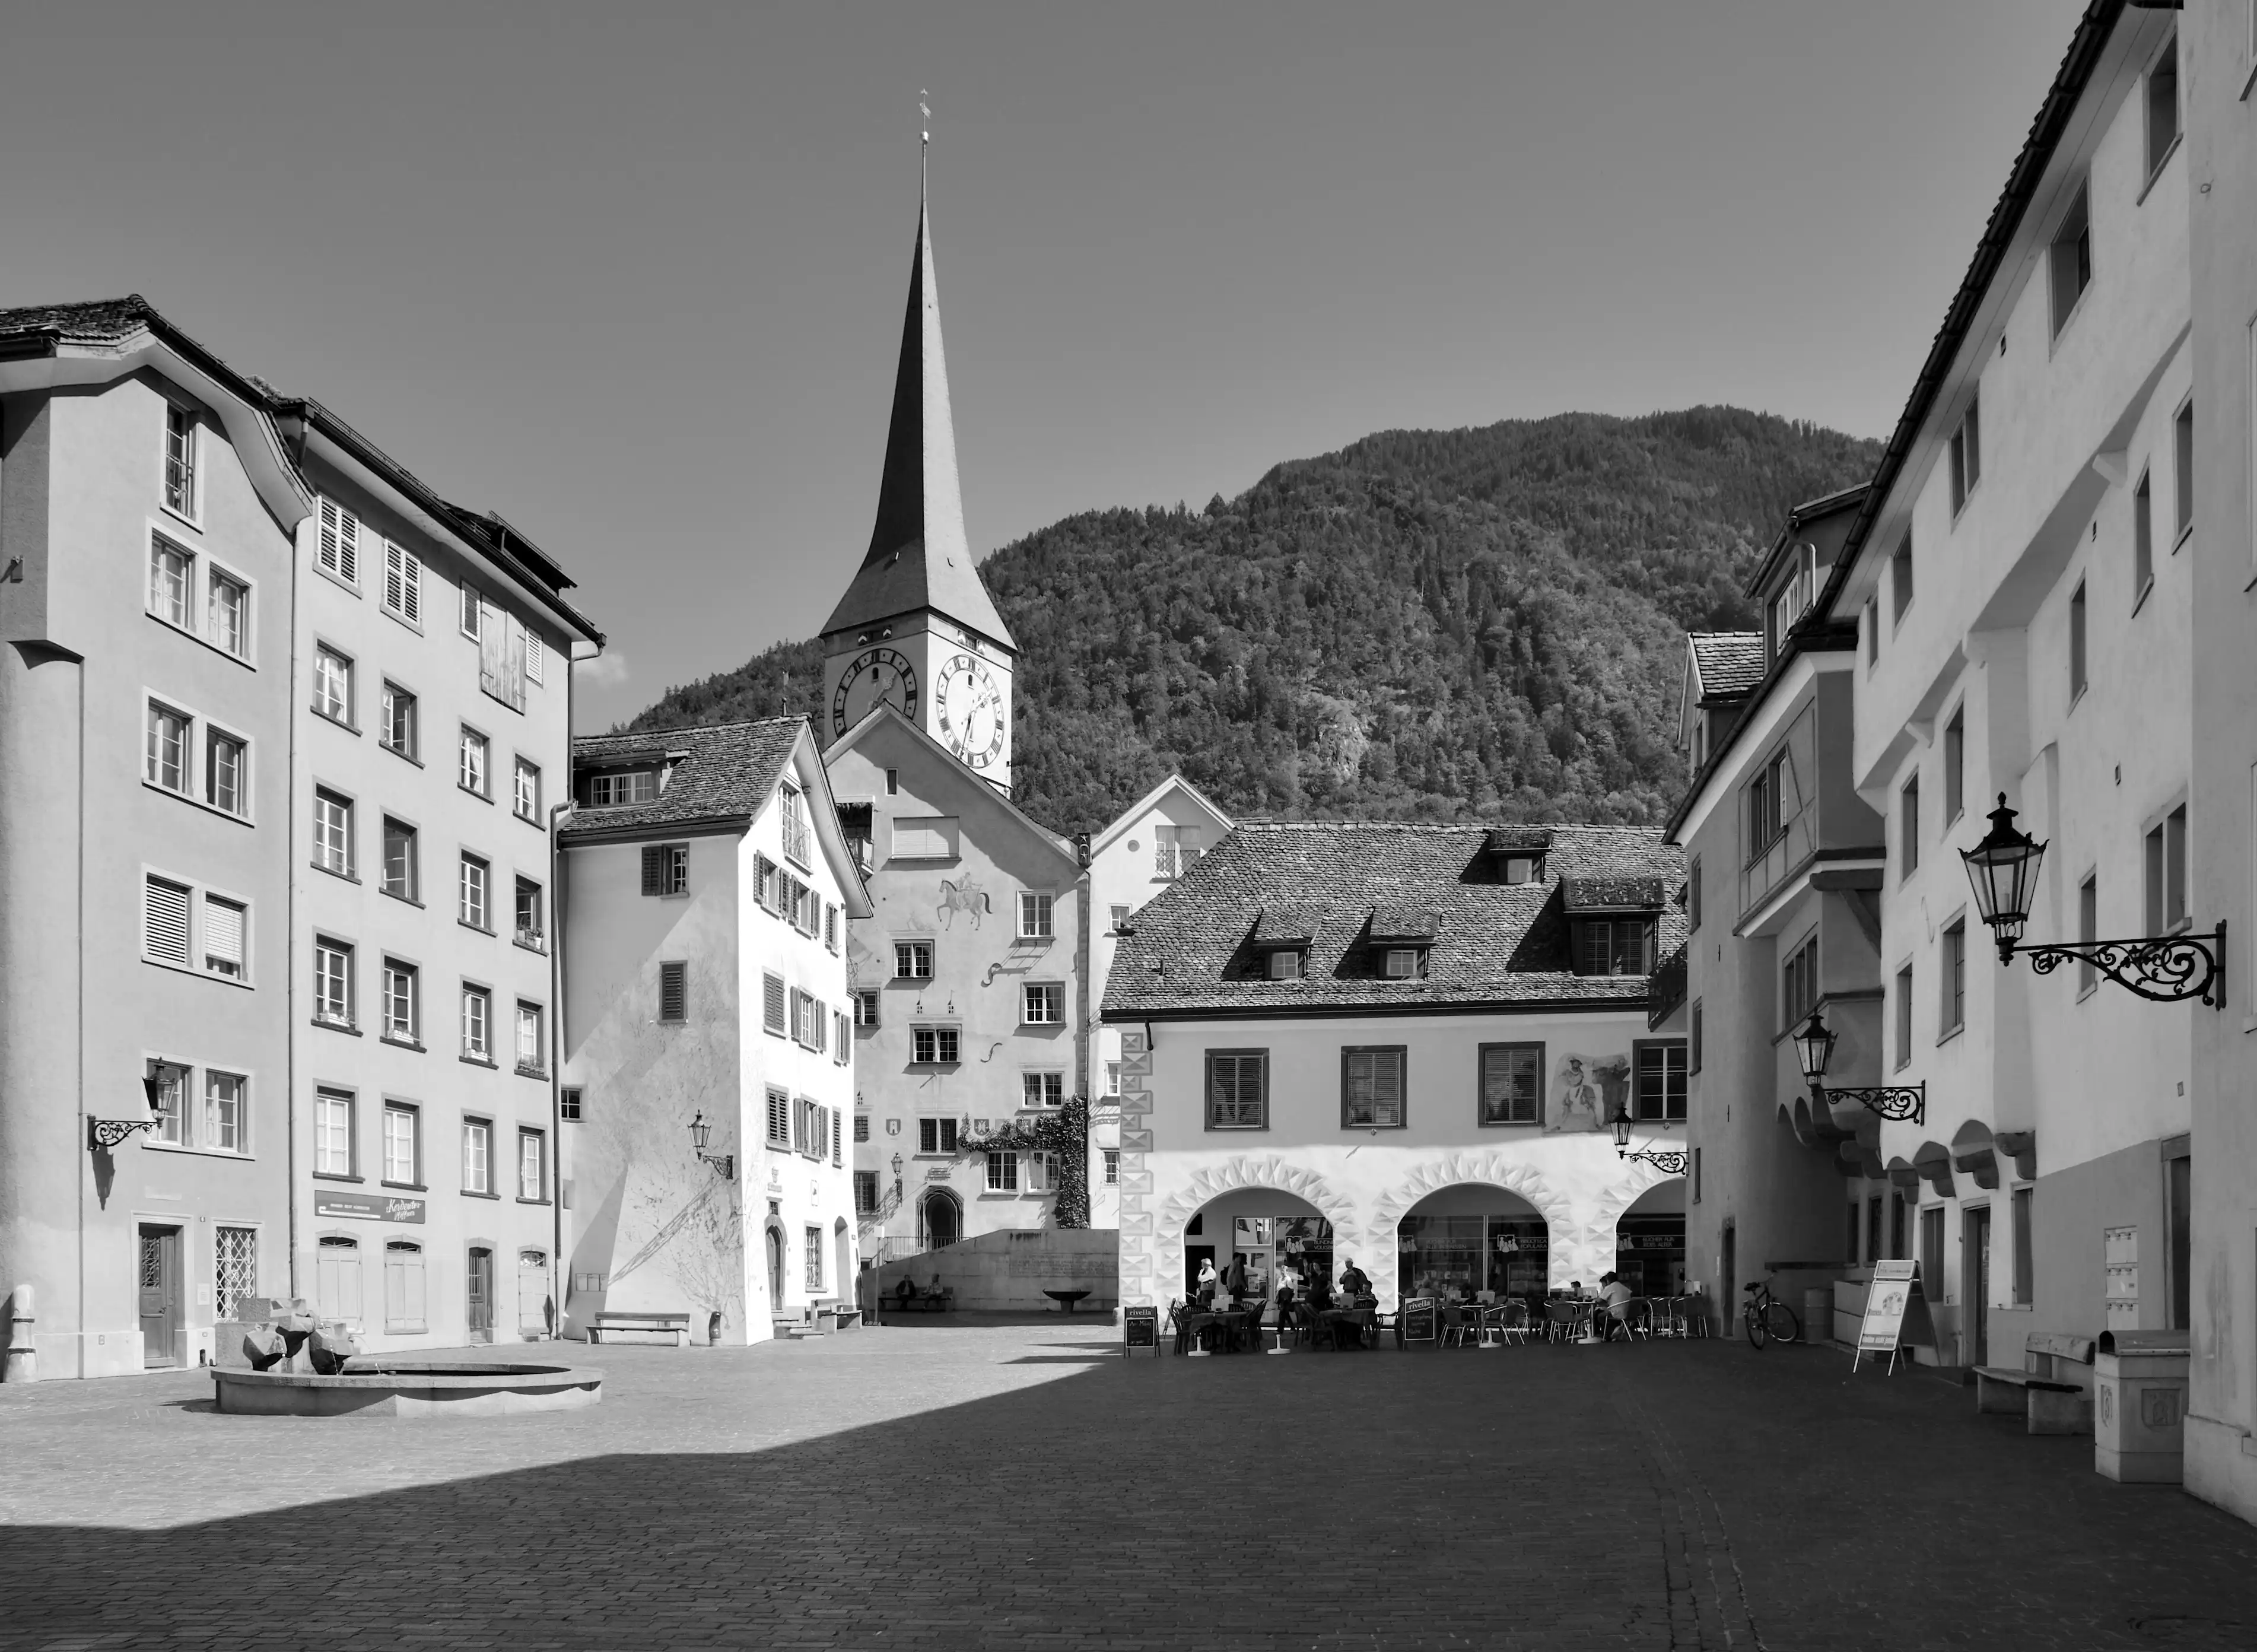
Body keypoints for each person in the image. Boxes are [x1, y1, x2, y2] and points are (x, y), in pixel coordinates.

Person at [1597, 1272, 1634, 1341]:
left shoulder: (1611, 1287)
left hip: (1616, 1313)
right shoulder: (1624, 1287)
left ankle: (1608, 1335)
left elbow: (1599, 1300)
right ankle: (1616, 1329)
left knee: (1600, 1316)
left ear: (1608, 1280)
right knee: (1604, 1314)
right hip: (1628, 1312)